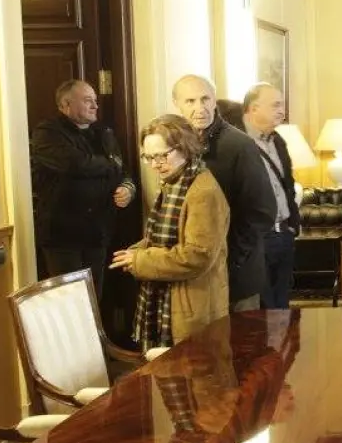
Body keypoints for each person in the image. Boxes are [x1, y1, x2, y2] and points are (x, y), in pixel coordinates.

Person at [111, 114, 230, 348]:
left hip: (193, 304)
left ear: (185, 147)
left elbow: (197, 256)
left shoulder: (202, 191)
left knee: (192, 369)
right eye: (149, 157)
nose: (155, 164)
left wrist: (140, 260)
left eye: (162, 155)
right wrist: (136, 251)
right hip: (178, 302)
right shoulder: (175, 181)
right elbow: (164, 238)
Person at [172, 75, 276, 312]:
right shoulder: (176, 144)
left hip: (236, 274)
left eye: (205, 99)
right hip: (197, 275)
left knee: (243, 335)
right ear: (177, 104)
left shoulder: (240, 145)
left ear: (214, 100)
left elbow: (262, 212)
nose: (200, 108)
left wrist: (231, 257)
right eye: (190, 101)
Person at [30, 80, 136, 310]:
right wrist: (109, 164)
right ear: (65, 105)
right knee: (68, 305)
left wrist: (128, 188)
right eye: (88, 100)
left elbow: (122, 170)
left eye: (95, 100)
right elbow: (75, 164)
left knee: (93, 301)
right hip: (63, 237)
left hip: (98, 233)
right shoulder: (47, 132)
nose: (95, 106)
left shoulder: (104, 133)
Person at [242, 83, 300, 310]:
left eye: (282, 105)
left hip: (282, 234)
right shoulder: (238, 143)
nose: (281, 111)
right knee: (261, 309)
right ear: (254, 108)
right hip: (256, 239)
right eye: (276, 105)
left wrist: (292, 225)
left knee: (281, 305)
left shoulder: (278, 141)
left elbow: (288, 185)